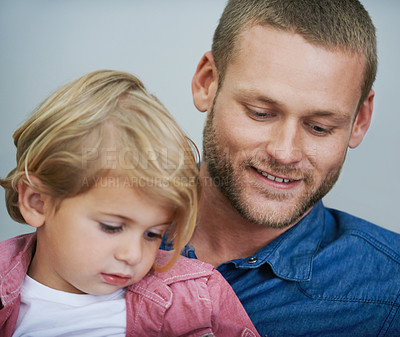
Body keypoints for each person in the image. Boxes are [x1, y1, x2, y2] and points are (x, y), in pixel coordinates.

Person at [185, 0, 400, 336]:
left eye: (319, 127)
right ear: (207, 83)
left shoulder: (391, 293)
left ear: (360, 120)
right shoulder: (82, 227)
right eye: (260, 112)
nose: (285, 153)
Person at [0, 70, 260, 337]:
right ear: (37, 203)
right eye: (112, 227)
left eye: (153, 234)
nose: (134, 255)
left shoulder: (196, 298)